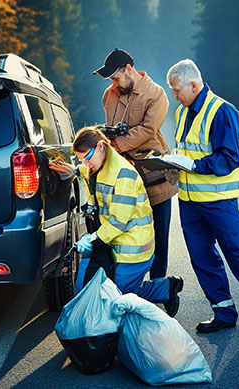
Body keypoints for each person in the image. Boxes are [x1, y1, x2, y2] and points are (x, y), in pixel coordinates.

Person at [166, 59, 239, 341]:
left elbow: (229, 158)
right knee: (202, 257)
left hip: (218, 201)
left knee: (238, 252)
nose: (174, 95)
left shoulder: (222, 111)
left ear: (194, 85)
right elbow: (186, 149)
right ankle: (223, 313)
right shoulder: (184, 112)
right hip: (189, 201)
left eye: (176, 90)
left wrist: (194, 166)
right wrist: (172, 164)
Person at [49, 127, 183, 317]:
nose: (85, 163)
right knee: (108, 295)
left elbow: (119, 222)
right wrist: (74, 169)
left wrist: (93, 238)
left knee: (117, 297)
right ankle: (163, 288)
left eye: (87, 157)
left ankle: (166, 288)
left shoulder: (124, 174)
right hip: (116, 244)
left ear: (101, 146)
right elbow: (89, 172)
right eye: (81, 160)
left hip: (134, 248)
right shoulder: (100, 166)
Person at [92, 48, 178, 279]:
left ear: (129, 69)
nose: (113, 83)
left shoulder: (157, 94)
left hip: (154, 176)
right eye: (111, 79)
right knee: (123, 231)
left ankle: (160, 285)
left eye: (115, 77)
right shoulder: (109, 95)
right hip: (121, 179)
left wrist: (117, 145)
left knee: (159, 235)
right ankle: (127, 282)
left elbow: (149, 129)